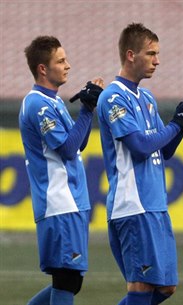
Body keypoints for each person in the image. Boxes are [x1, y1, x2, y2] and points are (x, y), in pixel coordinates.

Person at [97, 23, 183, 305]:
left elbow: (165, 149)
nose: (157, 60)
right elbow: (141, 146)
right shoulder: (113, 96)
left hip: (155, 204)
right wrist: (177, 122)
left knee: (166, 287)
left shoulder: (145, 97)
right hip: (133, 204)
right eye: (151, 53)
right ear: (131, 55)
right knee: (141, 287)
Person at [19, 35, 104, 305]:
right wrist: (87, 109)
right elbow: (67, 149)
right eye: (61, 60)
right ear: (43, 68)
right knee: (66, 279)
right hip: (58, 202)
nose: (68, 65)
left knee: (71, 280)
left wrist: (87, 111)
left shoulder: (54, 101)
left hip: (71, 200)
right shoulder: (37, 104)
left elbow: (78, 144)